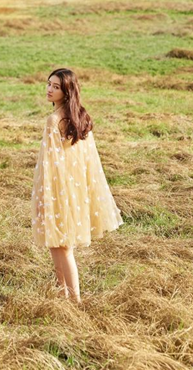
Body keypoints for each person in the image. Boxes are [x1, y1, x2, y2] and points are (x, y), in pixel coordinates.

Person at [31, 68, 124, 304]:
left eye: (56, 87)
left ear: (67, 91)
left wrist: (44, 196)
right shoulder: (78, 117)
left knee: (63, 246)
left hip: (56, 189)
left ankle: (75, 300)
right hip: (73, 188)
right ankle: (62, 293)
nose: (49, 90)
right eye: (49, 84)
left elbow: (50, 163)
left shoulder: (54, 121)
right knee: (56, 243)